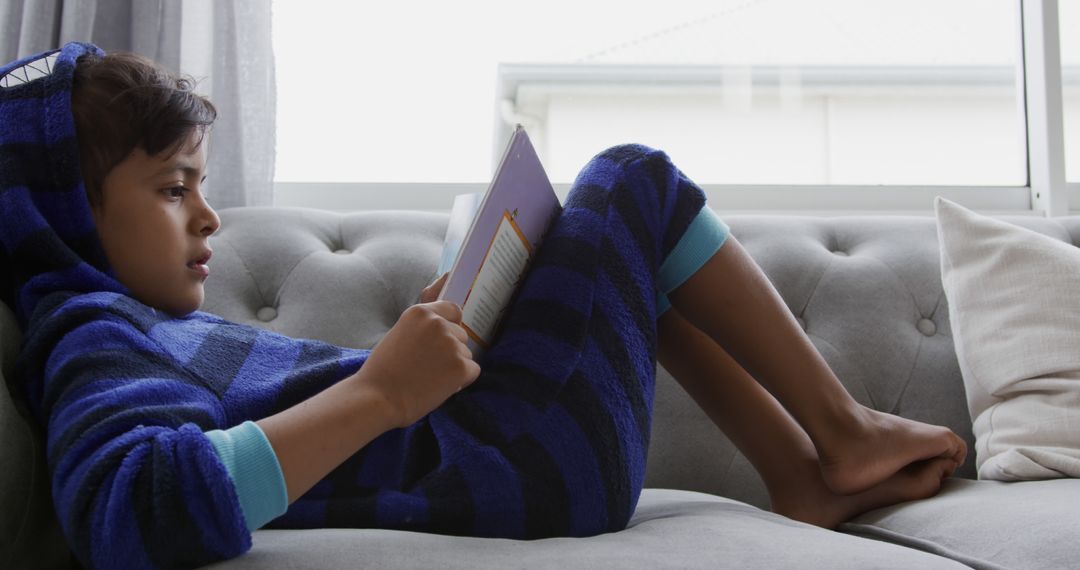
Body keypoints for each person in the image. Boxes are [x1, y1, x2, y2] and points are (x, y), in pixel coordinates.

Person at [0, 43, 966, 569]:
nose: (210, 217)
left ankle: (801, 471)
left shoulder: (143, 324)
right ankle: (839, 431)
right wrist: (380, 392)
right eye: (173, 191)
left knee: (602, 260)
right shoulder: (93, 332)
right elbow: (133, 505)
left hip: (496, 443)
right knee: (635, 177)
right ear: (64, 213)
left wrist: (447, 337)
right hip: (517, 463)